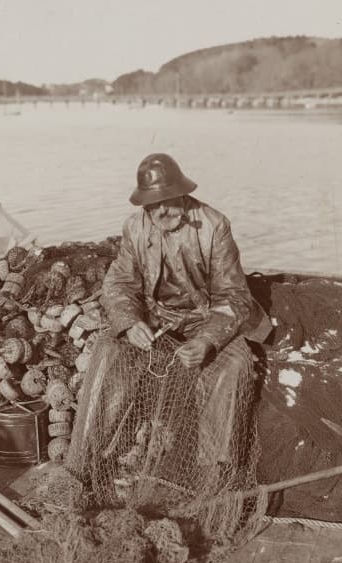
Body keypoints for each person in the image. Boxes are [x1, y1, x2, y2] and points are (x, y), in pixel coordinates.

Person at [72, 153, 272, 479]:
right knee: (109, 351)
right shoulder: (135, 227)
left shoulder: (214, 225)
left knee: (233, 367)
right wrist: (130, 323)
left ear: (182, 193)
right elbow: (119, 284)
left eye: (167, 200)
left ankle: (212, 477)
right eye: (152, 205)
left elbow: (233, 296)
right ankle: (85, 463)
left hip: (207, 317)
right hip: (157, 319)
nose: (161, 211)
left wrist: (207, 341)